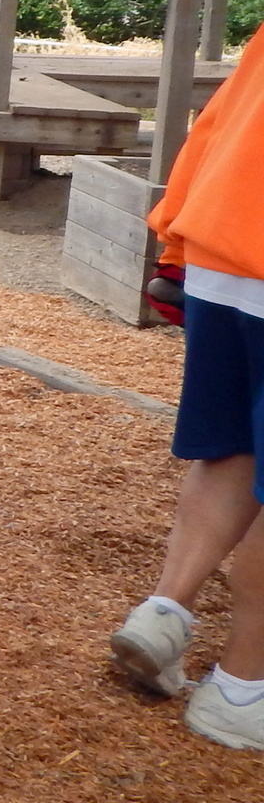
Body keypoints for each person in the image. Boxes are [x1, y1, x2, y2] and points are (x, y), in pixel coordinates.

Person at [107, 40, 264, 751]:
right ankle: (242, 689)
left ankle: (165, 614)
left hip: (221, 247)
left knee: (230, 447)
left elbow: (218, 123)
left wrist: (175, 247)